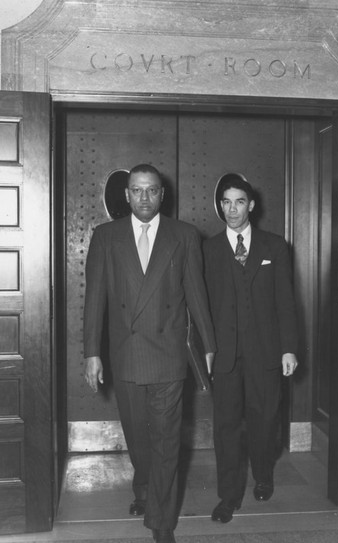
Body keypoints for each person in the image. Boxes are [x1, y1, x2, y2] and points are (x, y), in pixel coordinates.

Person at [83, 164, 216, 543]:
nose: (144, 198)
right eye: (137, 191)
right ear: (126, 195)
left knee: (166, 441)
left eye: (151, 190)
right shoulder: (105, 237)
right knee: (139, 441)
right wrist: (92, 352)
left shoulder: (184, 235)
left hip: (169, 356)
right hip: (125, 356)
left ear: (163, 195)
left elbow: (197, 296)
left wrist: (208, 345)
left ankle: (161, 522)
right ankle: (144, 488)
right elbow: (95, 300)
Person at [203, 173, 298, 524]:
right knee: (226, 427)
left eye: (239, 201)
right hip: (226, 356)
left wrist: (289, 348)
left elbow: (286, 302)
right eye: (226, 202)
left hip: (266, 353)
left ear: (251, 205)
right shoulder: (208, 250)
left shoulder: (275, 247)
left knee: (264, 421)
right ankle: (228, 497)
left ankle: (263, 474)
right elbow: (203, 306)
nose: (232, 209)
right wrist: (207, 350)